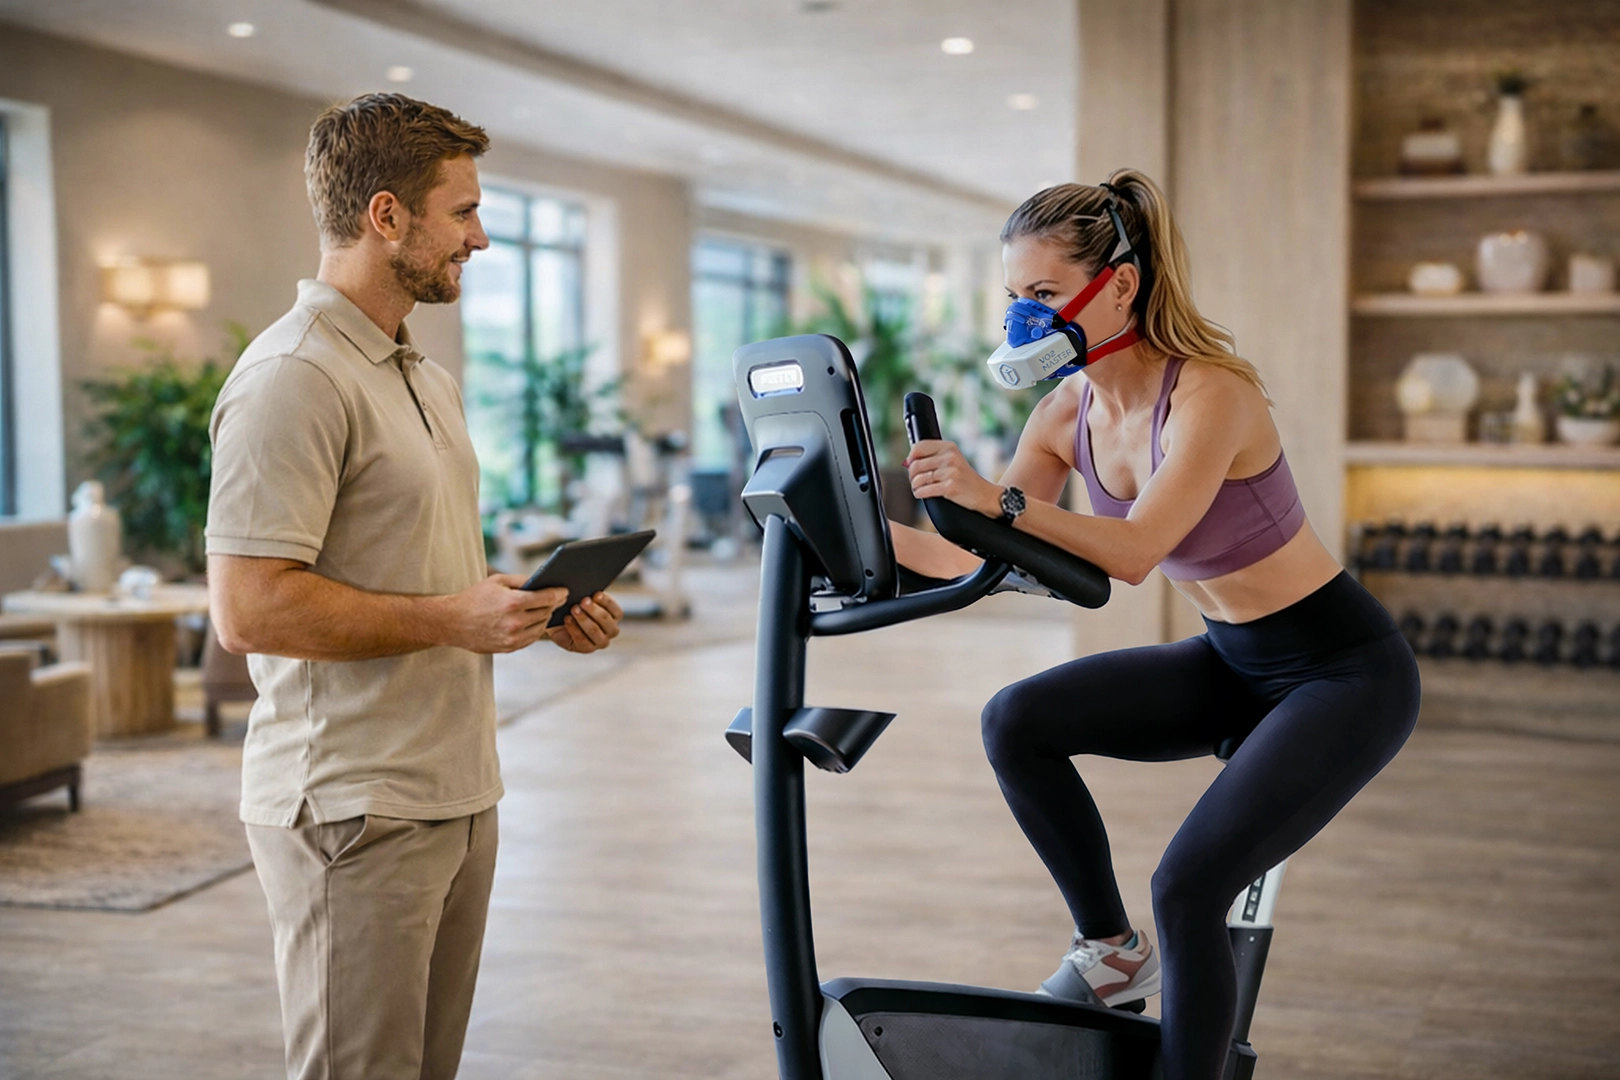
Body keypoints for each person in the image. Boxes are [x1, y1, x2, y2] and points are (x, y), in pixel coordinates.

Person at [892, 170, 1421, 1080]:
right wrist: (847, 535)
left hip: (1343, 671)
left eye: (1046, 295)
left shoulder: (1212, 394)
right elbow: (988, 559)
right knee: (1016, 719)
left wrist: (997, 498)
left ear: (1121, 287)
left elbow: (1135, 551)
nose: (1025, 319)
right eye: (1016, 297)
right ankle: (1110, 952)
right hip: (1232, 659)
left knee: (1187, 888)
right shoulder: (1065, 412)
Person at [205, 93, 624, 1080]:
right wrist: (452, 617)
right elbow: (247, 609)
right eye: (465, 212)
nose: (480, 239)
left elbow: (415, 564)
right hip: (352, 804)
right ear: (386, 216)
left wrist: (521, 607)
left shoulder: (421, 375)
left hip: (453, 787)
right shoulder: (292, 378)